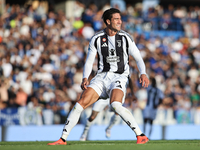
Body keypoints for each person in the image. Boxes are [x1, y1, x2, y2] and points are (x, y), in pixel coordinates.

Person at [47, 8, 149, 145]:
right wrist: (85, 78)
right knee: (80, 104)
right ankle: (63, 138)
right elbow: (89, 61)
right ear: (108, 21)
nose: (120, 21)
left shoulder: (125, 38)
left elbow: (138, 58)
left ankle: (140, 135)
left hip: (119, 77)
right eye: (116, 19)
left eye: (120, 18)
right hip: (101, 77)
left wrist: (143, 73)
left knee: (115, 105)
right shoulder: (97, 38)